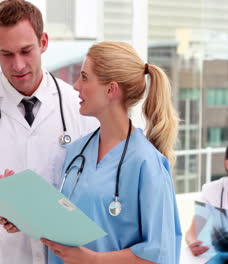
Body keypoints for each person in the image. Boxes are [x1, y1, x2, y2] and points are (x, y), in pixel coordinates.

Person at [0, 1, 97, 263]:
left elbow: (98, 188)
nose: (18, 65)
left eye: (26, 51)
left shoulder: (79, 108)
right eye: (7, 54)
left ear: (43, 42)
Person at [26, 41, 182, 263]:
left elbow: (160, 254)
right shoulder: (76, 152)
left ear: (111, 89)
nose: (76, 86)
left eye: (85, 77)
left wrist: (95, 259)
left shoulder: (147, 163)